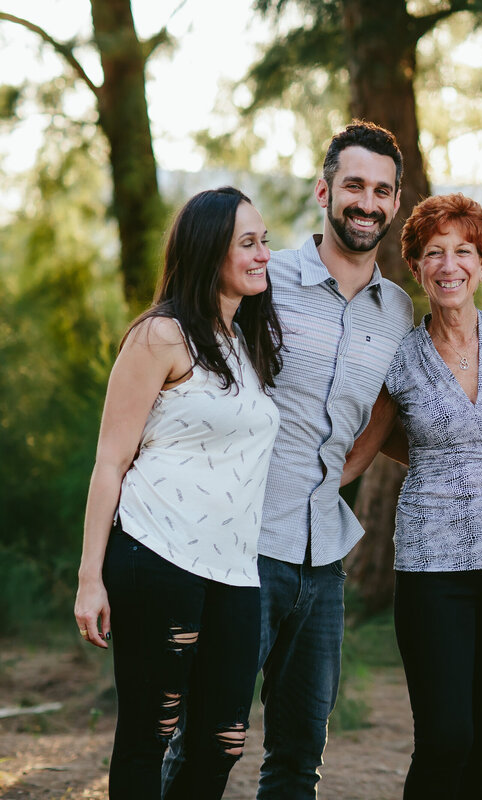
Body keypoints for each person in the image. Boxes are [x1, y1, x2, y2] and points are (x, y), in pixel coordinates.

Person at [165, 121, 414, 798]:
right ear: (324, 190)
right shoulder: (264, 281)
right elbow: (188, 371)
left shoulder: (396, 311)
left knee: (300, 758)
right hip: (242, 551)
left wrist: (344, 472)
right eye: (354, 185)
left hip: (324, 560)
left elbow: (388, 406)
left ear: (395, 203)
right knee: (205, 744)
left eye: (382, 190)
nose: (367, 202)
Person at [74, 187, 283, 798]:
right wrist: (92, 578)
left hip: (235, 573)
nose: (263, 254)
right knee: (150, 733)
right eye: (248, 243)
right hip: (156, 556)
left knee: (223, 743)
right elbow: (110, 461)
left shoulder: (245, 342)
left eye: (264, 240)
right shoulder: (159, 337)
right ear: (206, 250)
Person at [347, 193, 482, 798]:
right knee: (445, 738)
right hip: (432, 566)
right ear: (416, 268)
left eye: (463, 250)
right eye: (433, 252)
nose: (449, 264)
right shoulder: (400, 357)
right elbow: (364, 449)